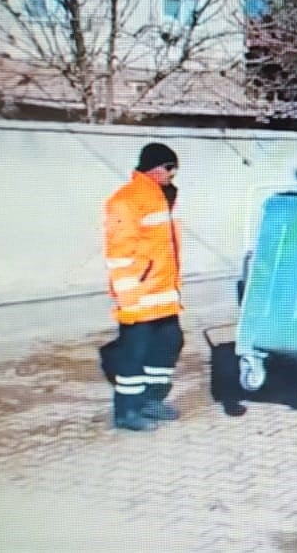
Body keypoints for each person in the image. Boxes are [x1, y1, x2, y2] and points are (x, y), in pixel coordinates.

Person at [102, 142, 186, 432]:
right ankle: (127, 411)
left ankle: (152, 399)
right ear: (154, 167)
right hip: (139, 296)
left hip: (162, 295)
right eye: (169, 167)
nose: (173, 174)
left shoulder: (160, 197)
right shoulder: (127, 200)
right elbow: (119, 252)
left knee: (169, 343)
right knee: (133, 353)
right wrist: (128, 299)